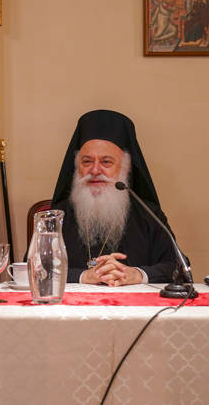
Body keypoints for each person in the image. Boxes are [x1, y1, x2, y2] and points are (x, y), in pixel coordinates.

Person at [50, 110, 186, 286]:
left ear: (126, 168)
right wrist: (83, 276)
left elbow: (179, 267)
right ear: (77, 168)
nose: (95, 170)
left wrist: (137, 275)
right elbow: (35, 267)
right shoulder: (56, 216)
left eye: (106, 162)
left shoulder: (148, 214)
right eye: (87, 161)